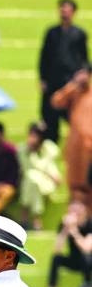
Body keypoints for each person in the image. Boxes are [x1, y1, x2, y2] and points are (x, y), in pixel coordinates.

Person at [38, 0, 88, 144]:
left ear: (73, 12)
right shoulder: (51, 33)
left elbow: (84, 58)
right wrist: (42, 78)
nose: (64, 12)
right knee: (50, 118)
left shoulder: (79, 33)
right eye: (62, 9)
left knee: (73, 117)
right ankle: (51, 147)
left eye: (67, 9)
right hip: (52, 81)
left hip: (70, 84)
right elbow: (44, 56)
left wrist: (83, 74)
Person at [38, 200, 92, 287]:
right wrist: (65, 230)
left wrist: (74, 231)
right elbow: (57, 249)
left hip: (88, 262)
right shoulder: (65, 225)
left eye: (77, 210)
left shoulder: (89, 224)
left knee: (86, 258)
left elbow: (86, 248)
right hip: (74, 260)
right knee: (56, 259)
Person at [51, 65, 92, 201]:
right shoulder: (74, 92)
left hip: (89, 149)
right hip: (76, 148)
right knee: (75, 186)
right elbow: (56, 101)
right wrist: (73, 84)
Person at [18, 123, 62, 230]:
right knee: (32, 179)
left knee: (32, 179)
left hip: (46, 182)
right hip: (32, 182)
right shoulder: (23, 149)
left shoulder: (49, 148)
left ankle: (24, 216)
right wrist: (30, 151)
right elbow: (25, 168)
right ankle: (36, 219)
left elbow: (48, 167)